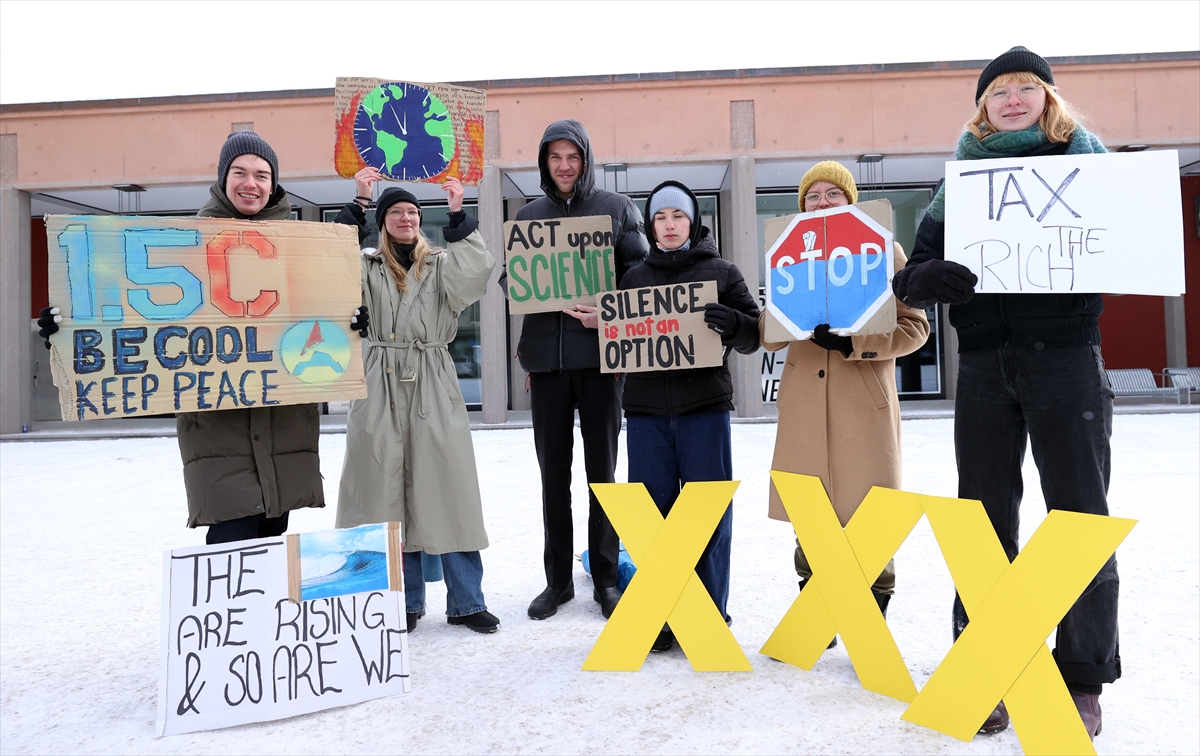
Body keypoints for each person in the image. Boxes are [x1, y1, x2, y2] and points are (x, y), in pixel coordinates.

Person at [892, 46, 1116, 739]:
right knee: (982, 521)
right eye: (1000, 92)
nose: (1013, 99)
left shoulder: (1090, 164)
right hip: (986, 365)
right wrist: (922, 281)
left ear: (1049, 98)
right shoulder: (958, 182)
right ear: (982, 106)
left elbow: (1131, 237)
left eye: (1027, 88)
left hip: (1068, 360)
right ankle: (985, 666)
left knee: (1079, 517)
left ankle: (1081, 677)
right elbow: (913, 272)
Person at [39, 131, 360, 544]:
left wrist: (349, 323)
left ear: (274, 182)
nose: (251, 183)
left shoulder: (304, 246)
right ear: (223, 178)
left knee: (273, 541)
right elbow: (128, 315)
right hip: (217, 431)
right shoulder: (184, 242)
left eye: (262, 174)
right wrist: (68, 329)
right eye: (240, 172)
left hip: (285, 430)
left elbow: (320, 321)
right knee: (231, 541)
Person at [761, 162, 929, 644]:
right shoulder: (788, 256)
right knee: (810, 508)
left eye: (834, 193)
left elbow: (915, 328)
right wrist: (747, 327)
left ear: (851, 200)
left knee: (868, 512)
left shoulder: (884, 251)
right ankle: (816, 609)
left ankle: (870, 613)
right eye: (812, 196)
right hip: (804, 404)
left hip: (863, 401)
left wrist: (857, 344)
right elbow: (773, 328)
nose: (822, 202)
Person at [334, 169, 500, 634]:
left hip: (432, 379)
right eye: (396, 212)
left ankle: (468, 602)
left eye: (411, 211)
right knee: (385, 495)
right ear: (384, 221)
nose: (405, 218)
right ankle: (401, 604)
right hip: (380, 380)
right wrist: (360, 201)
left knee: (449, 490)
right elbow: (328, 264)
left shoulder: (442, 263)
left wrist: (457, 215)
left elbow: (476, 276)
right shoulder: (365, 266)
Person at [498, 120, 649, 620]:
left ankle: (605, 577)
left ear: (585, 159)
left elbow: (639, 280)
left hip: (604, 363)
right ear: (544, 162)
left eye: (573, 157)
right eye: (555, 157)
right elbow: (512, 284)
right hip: (548, 367)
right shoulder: (529, 215)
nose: (564, 166)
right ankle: (558, 581)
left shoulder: (616, 209)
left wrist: (603, 312)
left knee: (602, 475)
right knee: (552, 476)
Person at [618, 180, 760, 652]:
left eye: (677, 216)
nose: (670, 224)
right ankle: (661, 613)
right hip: (644, 415)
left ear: (693, 221)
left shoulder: (722, 271)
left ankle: (709, 611)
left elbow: (755, 333)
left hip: (704, 409)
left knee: (709, 515)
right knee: (651, 516)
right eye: (661, 217)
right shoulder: (634, 279)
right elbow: (621, 334)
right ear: (652, 225)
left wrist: (735, 323)